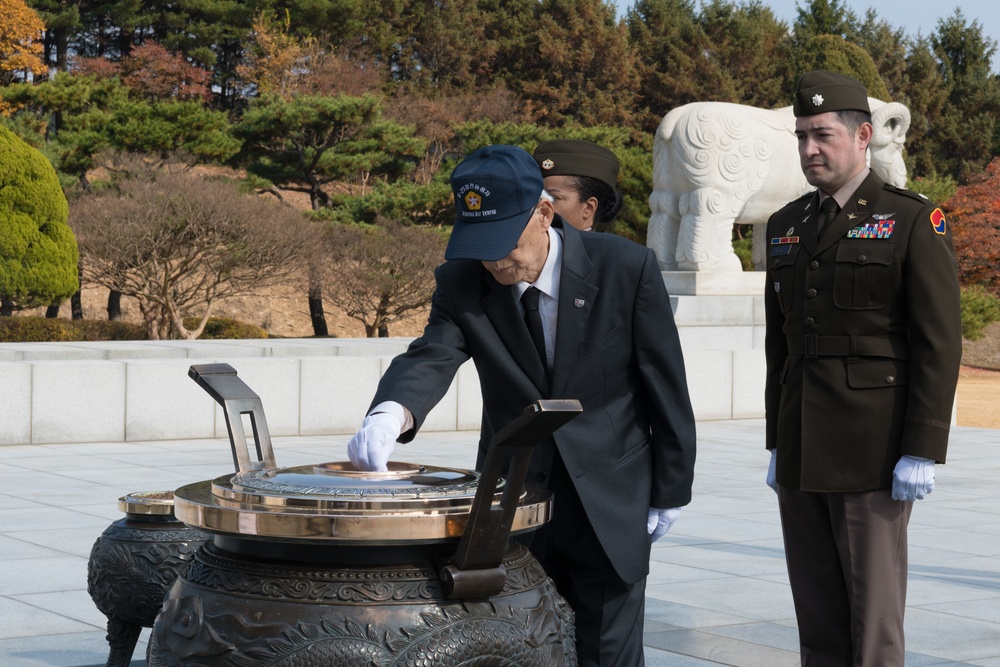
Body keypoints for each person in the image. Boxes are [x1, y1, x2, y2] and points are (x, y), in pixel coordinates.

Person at [347, 144, 697, 667]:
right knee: (522, 647)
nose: (496, 261)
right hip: (516, 499)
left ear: (543, 213)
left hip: (610, 494)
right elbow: (434, 353)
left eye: (505, 243)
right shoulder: (463, 280)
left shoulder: (624, 268)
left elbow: (664, 384)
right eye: (481, 245)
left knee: (608, 653)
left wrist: (671, 489)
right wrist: (391, 412)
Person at [763, 70, 962, 666]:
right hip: (802, 442)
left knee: (872, 620)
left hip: (873, 447)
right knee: (817, 613)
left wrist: (922, 447)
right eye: (800, 137)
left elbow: (938, 342)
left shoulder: (910, 220)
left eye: (821, 135)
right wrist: (777, 438)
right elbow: (782, 342)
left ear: (863, 136)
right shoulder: (786, 224)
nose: (808, 150)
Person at [533, 139, 624, 231]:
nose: (536, 207)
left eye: (552, 199)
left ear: (589, 207)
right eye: (535, 198)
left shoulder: (600, 245)